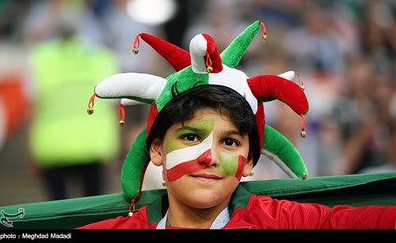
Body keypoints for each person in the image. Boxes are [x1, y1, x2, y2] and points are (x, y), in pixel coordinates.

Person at [78, 20, 396, 229]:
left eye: (229, 142)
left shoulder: (287, 223)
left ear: (251, 162)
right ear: (157, 148)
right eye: (191, 137)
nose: (210, 156)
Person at [26, 22, 120, 201]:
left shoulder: (40, 58)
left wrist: (31, 150)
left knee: (57, 207)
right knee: (94, 206)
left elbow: (32, 107)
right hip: (95, 142)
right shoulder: (102, 57)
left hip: (52, 144)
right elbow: (113, 106)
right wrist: (115, 148)